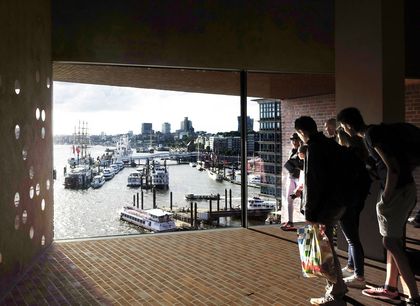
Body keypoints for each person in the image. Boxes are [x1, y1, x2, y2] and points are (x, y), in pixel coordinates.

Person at [337, 107, 420, 305]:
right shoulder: (378, 131)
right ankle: (390, 288)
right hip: (406, 190)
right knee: (393, 240)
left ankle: (414, 297)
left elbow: (393, 169)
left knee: (390, 243)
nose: (343, 130)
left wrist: (386, 197)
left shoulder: (371, 136)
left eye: (342, 126)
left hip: (396, 194)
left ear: (348, 125)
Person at [294, 116, 347, 306]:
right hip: (337, 202)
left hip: (323, 207)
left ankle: (335, 293)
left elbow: (313, 183)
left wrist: (309, 213)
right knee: (327, 248)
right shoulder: (328, 143)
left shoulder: (314, 149)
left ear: (302, 132)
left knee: (325, 252)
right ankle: (337, 287)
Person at [336, 128, 371, 289]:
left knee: (353, 240)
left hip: (347, 202)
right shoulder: (360, 155)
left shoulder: (347, 156)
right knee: (353, 237)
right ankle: (351, 266)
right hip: (357, 201)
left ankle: (359, 276)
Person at [281, 133, 303, 231]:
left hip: (299, 179)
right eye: (292, 140)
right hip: (291, 177)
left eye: (296, 140)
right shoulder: (292, 151)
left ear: (299, 140)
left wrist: (296, 165)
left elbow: (303, 165)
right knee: (288, 199)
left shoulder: (302, 151)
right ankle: (290, 221)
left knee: (304, 200)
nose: (294, 142)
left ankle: (309, 223)